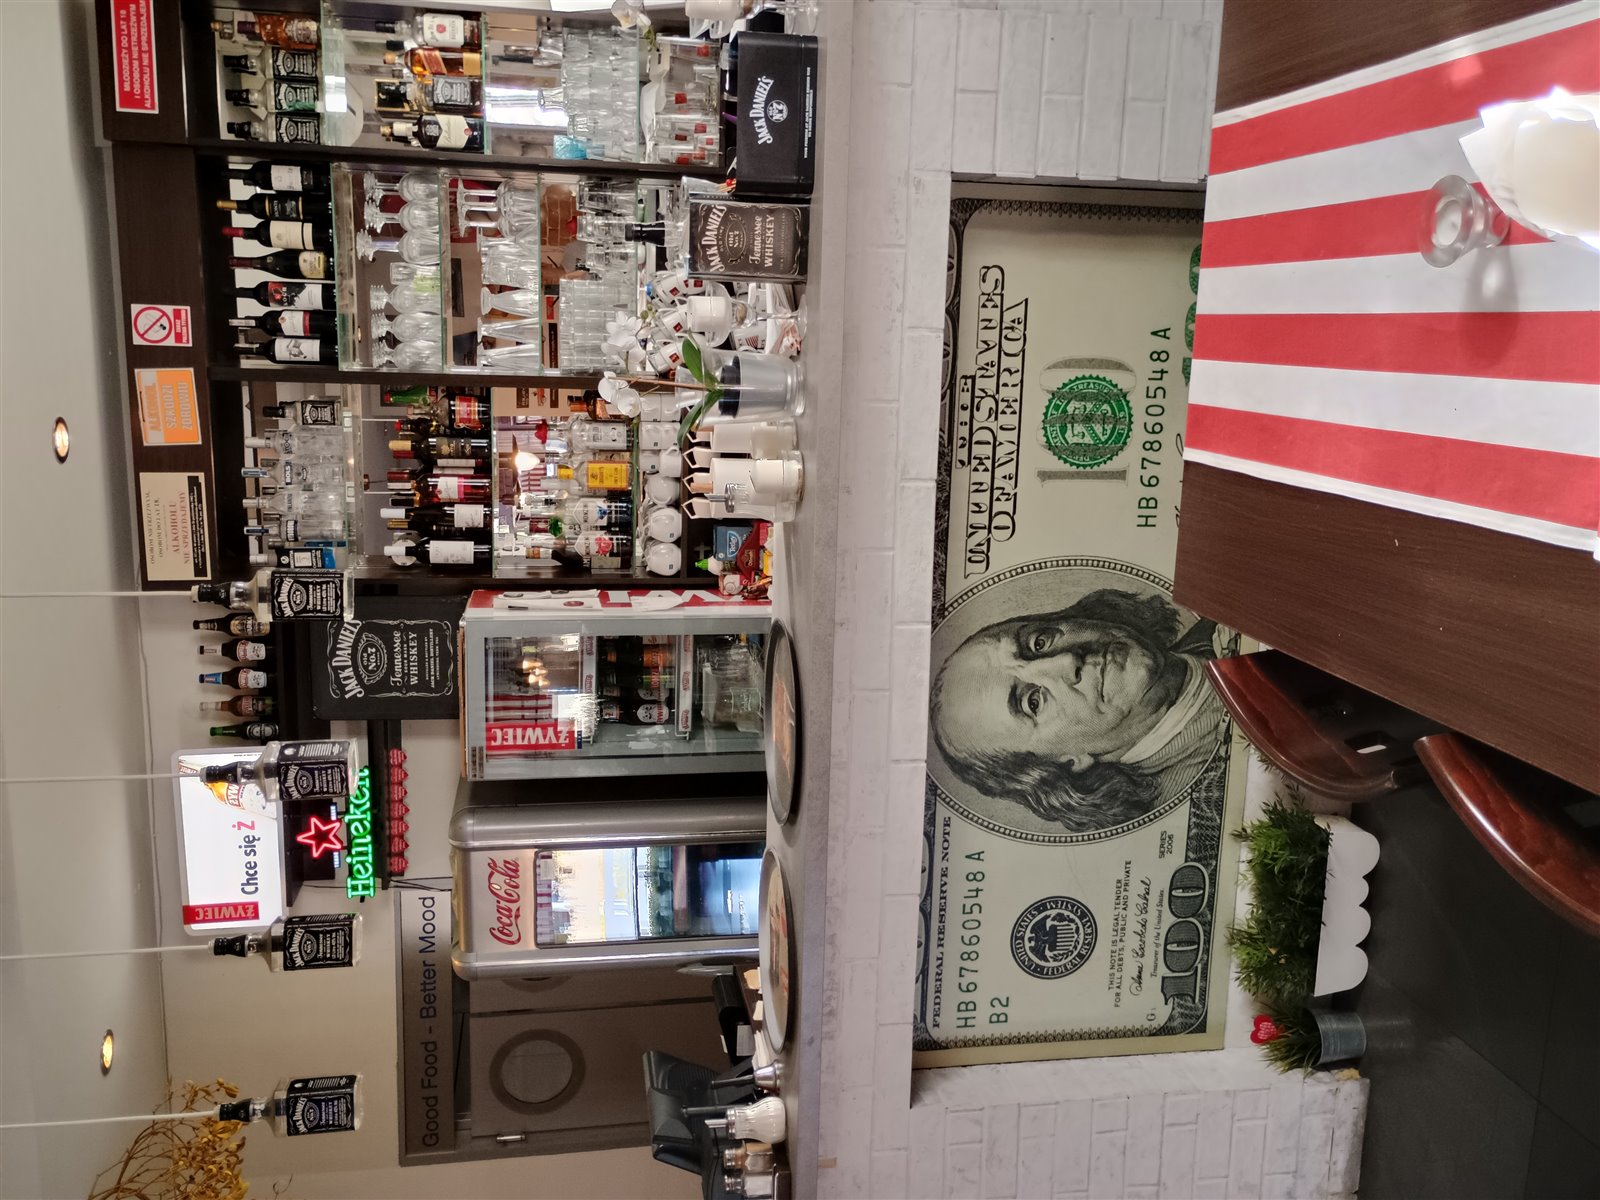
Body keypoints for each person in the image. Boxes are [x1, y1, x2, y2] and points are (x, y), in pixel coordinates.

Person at [929, 589, 1226, 834]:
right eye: (1033, 703)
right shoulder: (1204, 812)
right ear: (1066, 763)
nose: (1067, 660)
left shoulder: (1221, 617)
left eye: (1038, 642)